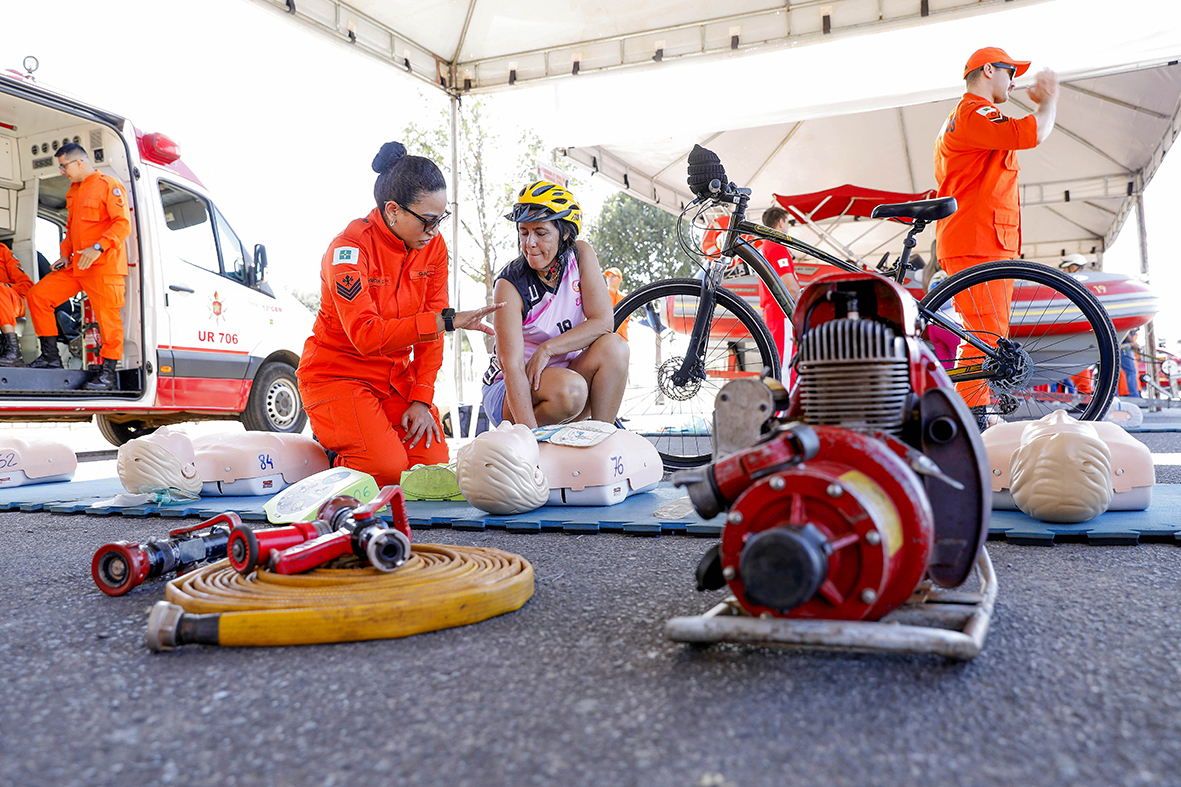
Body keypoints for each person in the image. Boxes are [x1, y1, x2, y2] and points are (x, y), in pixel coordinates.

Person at [297, 141, 502, 487]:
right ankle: (333, 452)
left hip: (394, 382)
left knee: (431, 471)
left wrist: (422, 398)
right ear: (393, 210)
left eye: (442, 219)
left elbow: (432, 335)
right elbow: (366, 336)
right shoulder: (348, 249)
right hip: (338, 378)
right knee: (388, 471)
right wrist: (446, 321)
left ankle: (367, 444)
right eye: (428, 221)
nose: (435, 231)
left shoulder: (432, 247)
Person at [933, 47, 1059, 426]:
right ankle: (969, 421)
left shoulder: (964, 116)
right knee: (985, 338)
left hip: (978, 239)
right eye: (1009, 72)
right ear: (989, 70)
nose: (1014, 80)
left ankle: (970, 417)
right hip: (978, 240)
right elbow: (1033, 132)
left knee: (983, 336)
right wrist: (1049, 101)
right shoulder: (975, 112)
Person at [482, 181, 629, 429]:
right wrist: (527, 442)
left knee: (616, 347)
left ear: (565, 233)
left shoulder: (581, 254)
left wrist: (548, 349)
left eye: (541, 233)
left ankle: (600, 436)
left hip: (567, 375)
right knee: (571, 390)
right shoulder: (509, 283)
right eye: (524, 232)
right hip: (510, 389)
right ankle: (532, 442)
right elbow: (514, 368)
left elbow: (603, 323)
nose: (529, 243)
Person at [26, 143, 131, 389]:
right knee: (38, 296)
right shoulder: (75, 190)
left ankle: (108, 374)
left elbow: (122, 225)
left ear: (79, 163)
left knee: (108, 320)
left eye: (64, 166)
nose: (62, 172)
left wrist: (97, 248)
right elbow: (71, 229)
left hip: (103, 267)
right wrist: (64, 255)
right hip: (76, 267)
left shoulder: (109, 186)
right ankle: (51, 358)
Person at [756, 206, 803, 367]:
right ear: (781, 222)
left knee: (778, 363)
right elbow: (791, 288)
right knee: (785, 367)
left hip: (772, 314)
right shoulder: (776, 246)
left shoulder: (765, 247)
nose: (788, 226)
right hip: (782, 314)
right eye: (788, 222)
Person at [0, 242, 33, 366]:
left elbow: (26, 286)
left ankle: (13, 350)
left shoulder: (3, 252)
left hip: (9, 302)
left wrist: (6, 286)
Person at [603, 266, 628, 340]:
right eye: (608, 276)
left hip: (621, 339)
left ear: (620, 279)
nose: (610, 278)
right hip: (604, 338)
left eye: (613, 276)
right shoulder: (601, 295)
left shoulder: (625, 298)